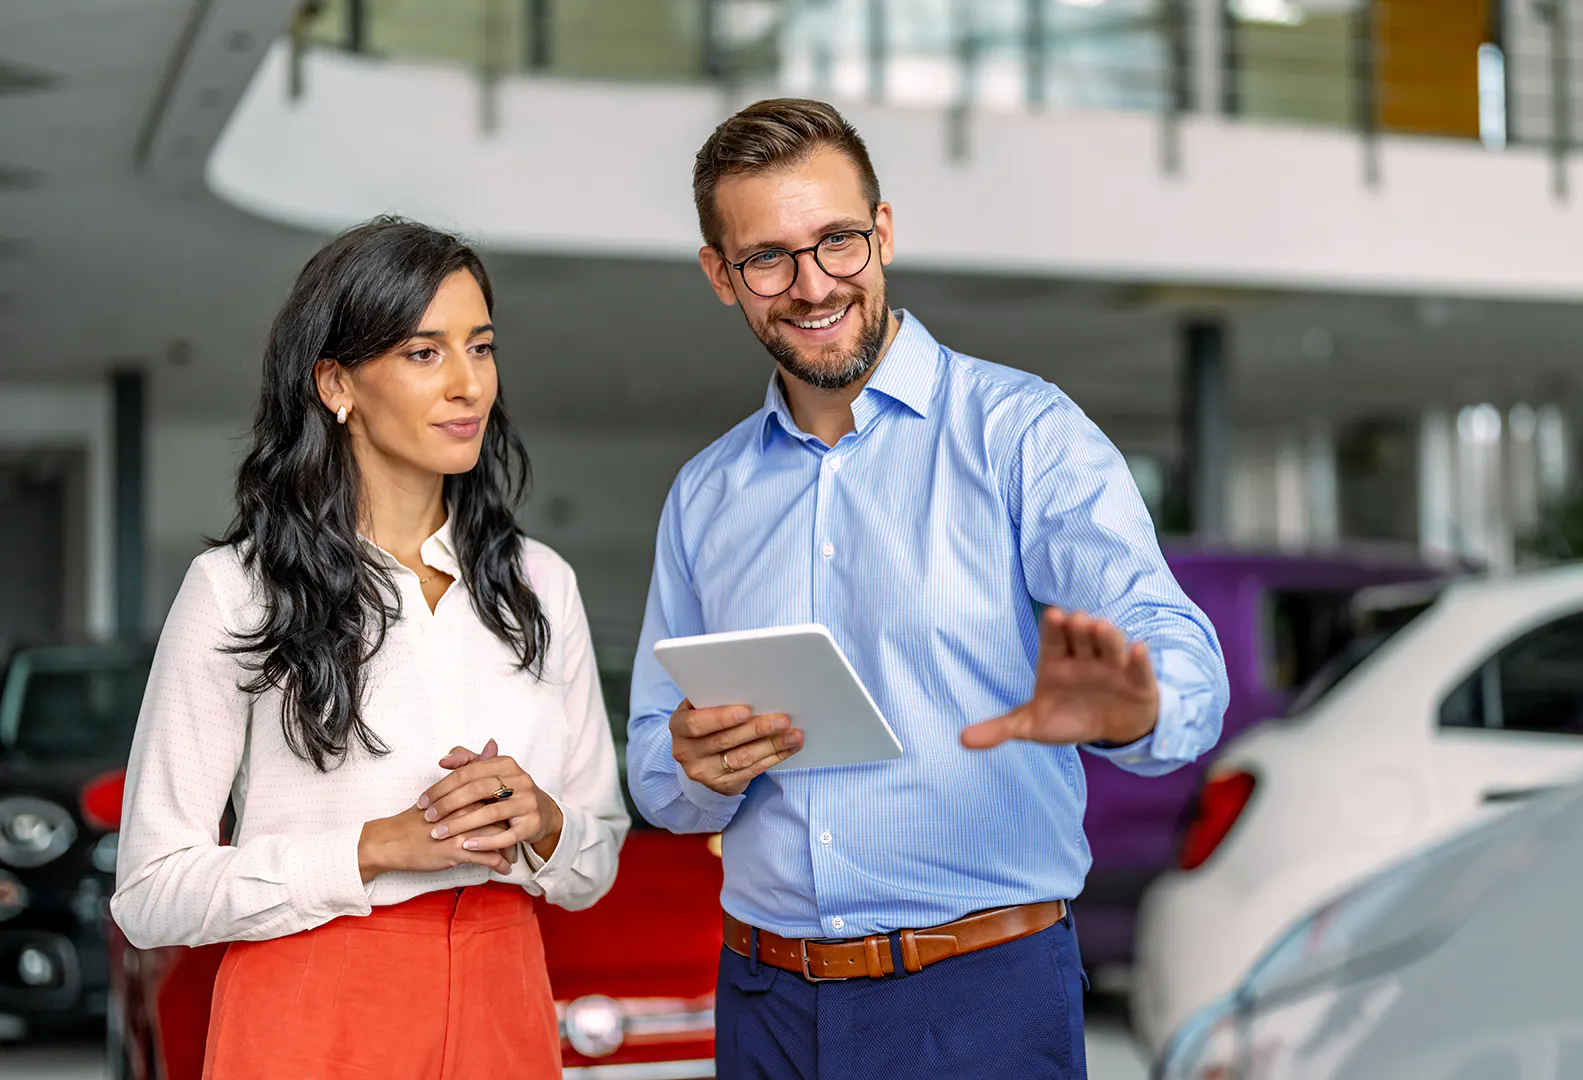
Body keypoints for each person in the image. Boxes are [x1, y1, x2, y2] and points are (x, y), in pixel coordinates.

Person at [626, 99, 1230, 1079]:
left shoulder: (1021, 433)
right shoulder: (708, 494)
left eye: (838, 242)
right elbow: (659, 771)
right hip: (764, 1002)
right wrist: (697, 764)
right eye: (769, 259)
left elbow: (1171, 643)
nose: (814, 285)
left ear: (886, 233)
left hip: (979, 1002)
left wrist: (1138, 704)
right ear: (721, 277)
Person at [111, 217, 628, 1079]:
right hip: (312, 1005)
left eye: (482, 346)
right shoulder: (237, 591)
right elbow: (150, 892)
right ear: (336, 382)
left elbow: (594, 861)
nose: (469, 384)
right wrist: (375, 847)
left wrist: (542, 822)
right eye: (424, 353)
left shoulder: (543, 585)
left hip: (506, 1002)